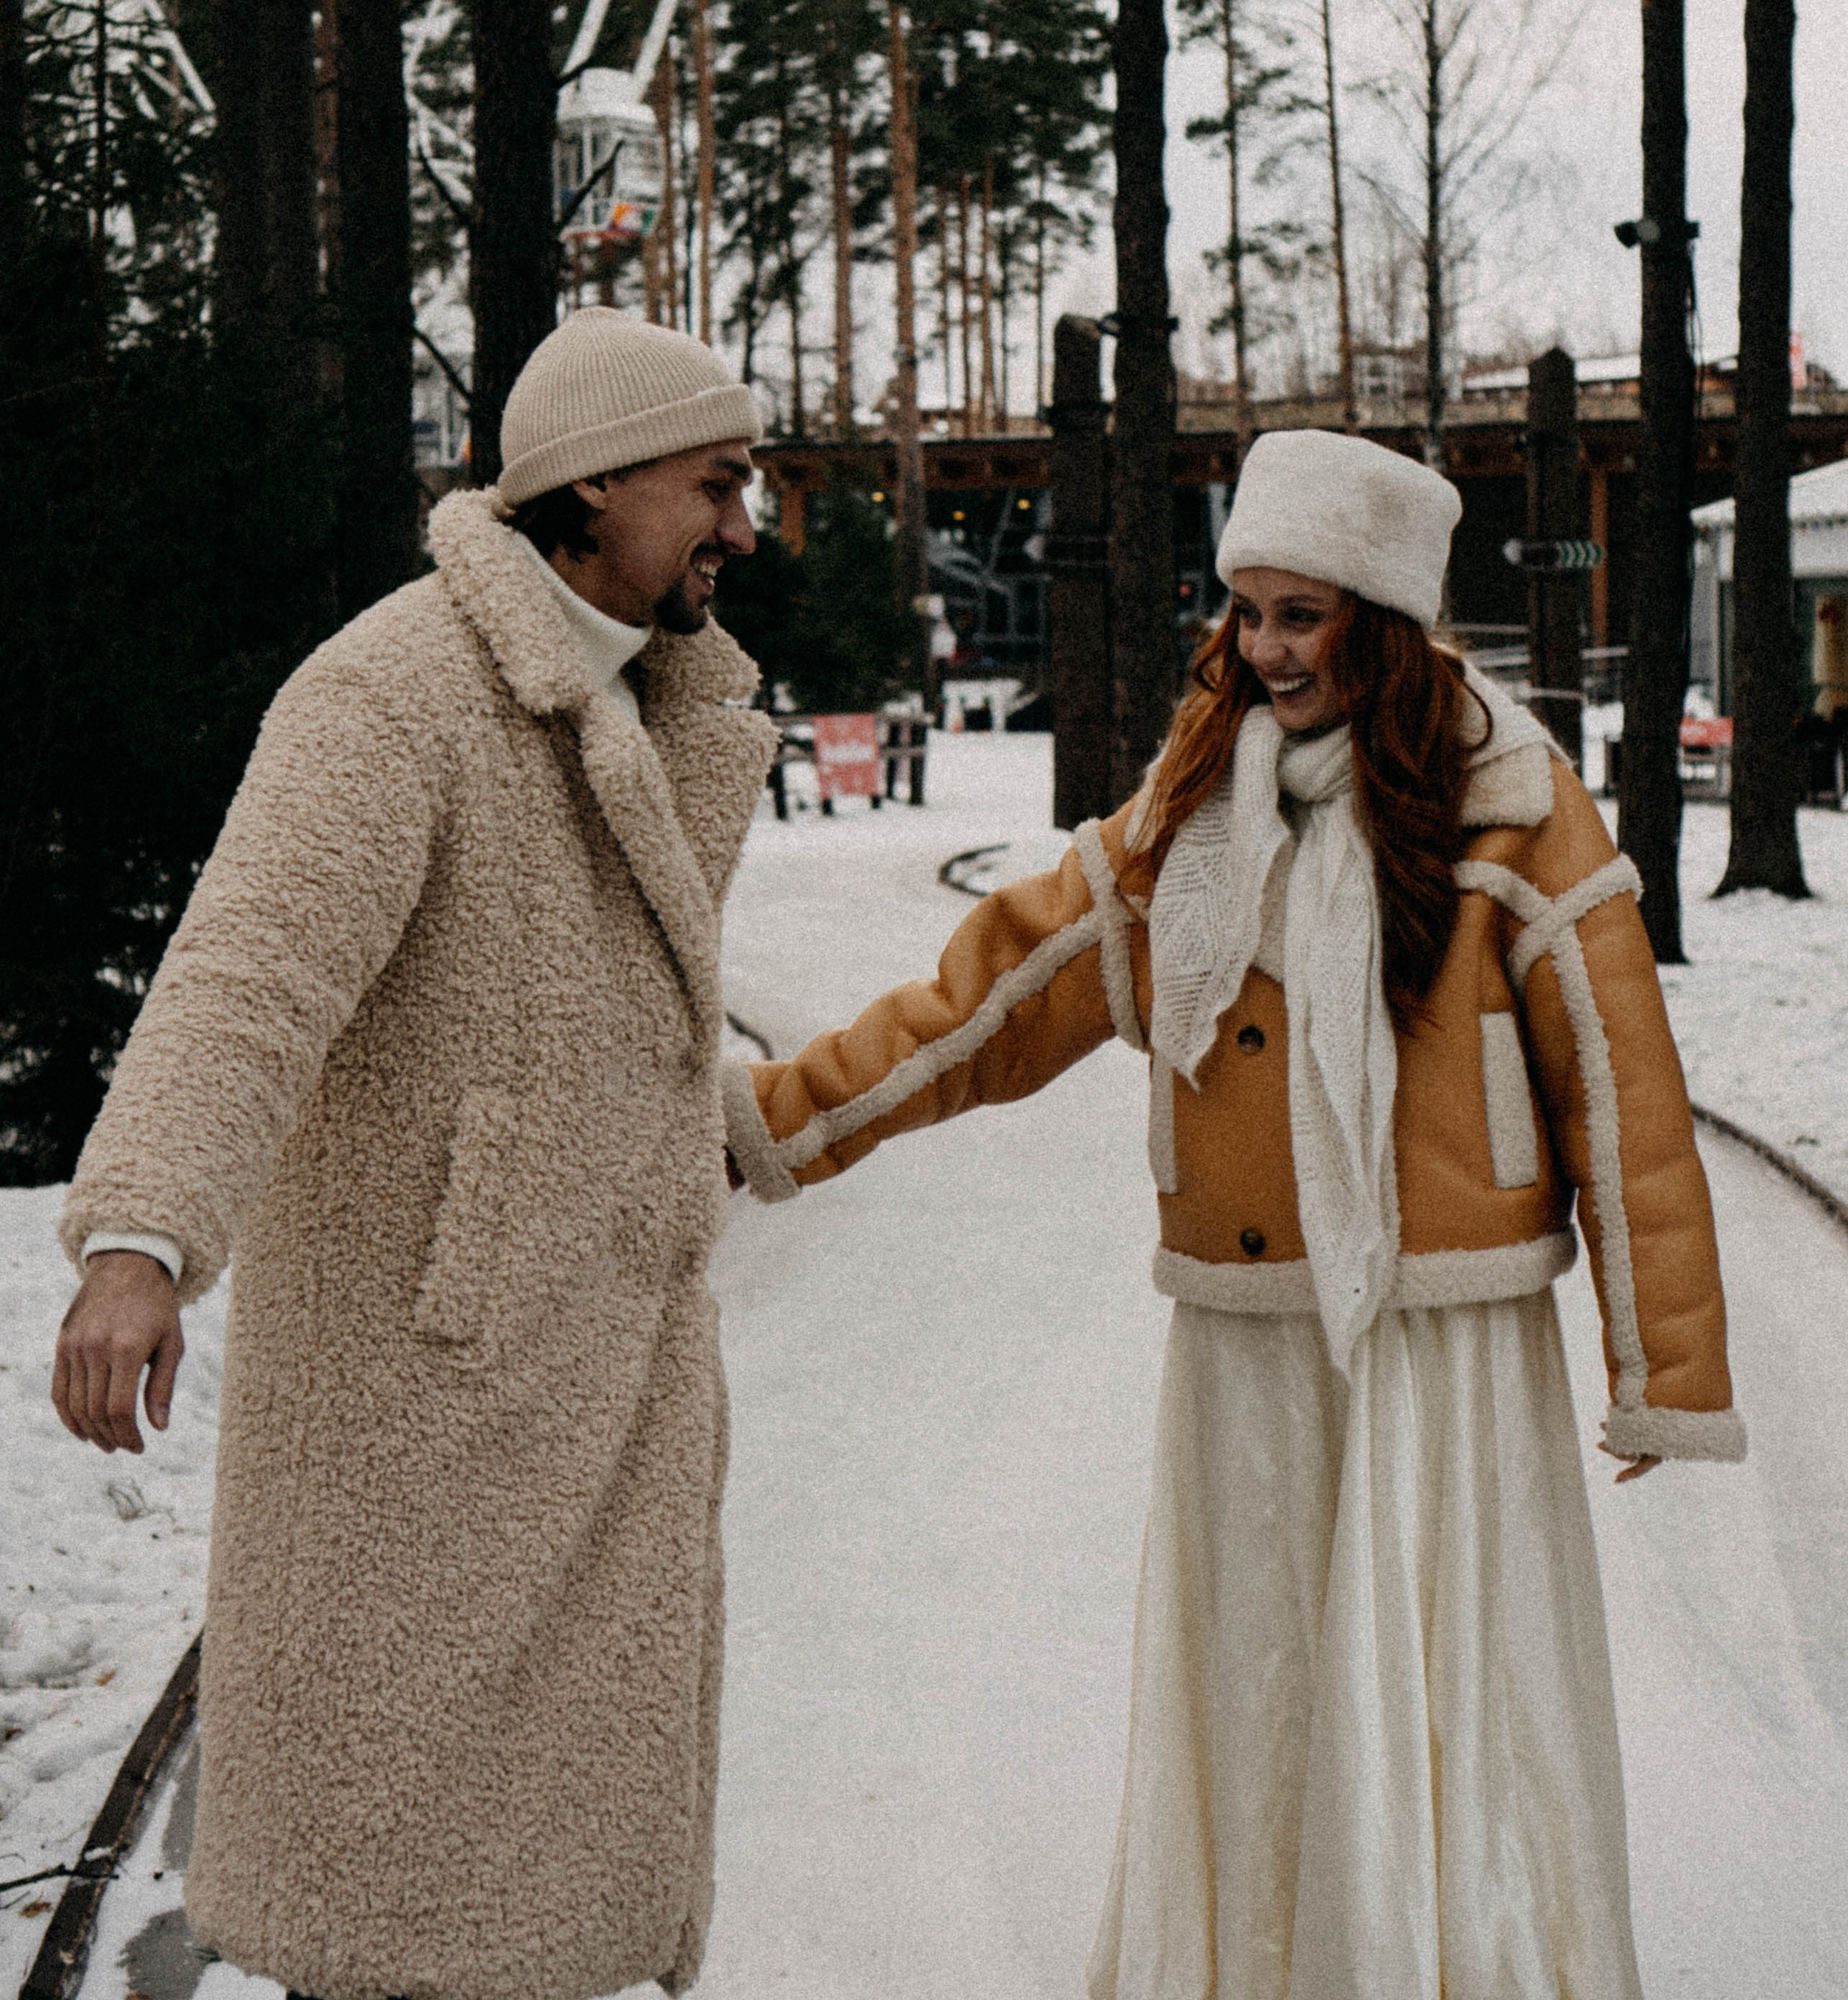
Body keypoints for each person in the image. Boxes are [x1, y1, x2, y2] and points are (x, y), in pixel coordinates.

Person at [723, 428, 1743, 2000]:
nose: (1263, 650)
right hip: (1252, 1339)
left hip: (1440, 1344)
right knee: (1265, 1688)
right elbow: (986, 1000)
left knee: (1441, 1695)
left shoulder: (1515, 809)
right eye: (1245, 612)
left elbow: (1623, 1099)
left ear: (1383, 623)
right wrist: (780, 1119)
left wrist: (1659, 1367)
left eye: (1300, 614)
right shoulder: (1186, 823)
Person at [53, 310, 776, 2000]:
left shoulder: (645, 697)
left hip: (588, 1396)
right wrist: (138, 1243)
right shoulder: (394, 695)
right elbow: (247, 975)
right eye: (716, 484)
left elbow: (597, 1024)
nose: (745, 527)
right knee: (402, 1905)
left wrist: (753, 1124)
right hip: (425, 1425)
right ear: (590, 492)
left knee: (533, 1900)